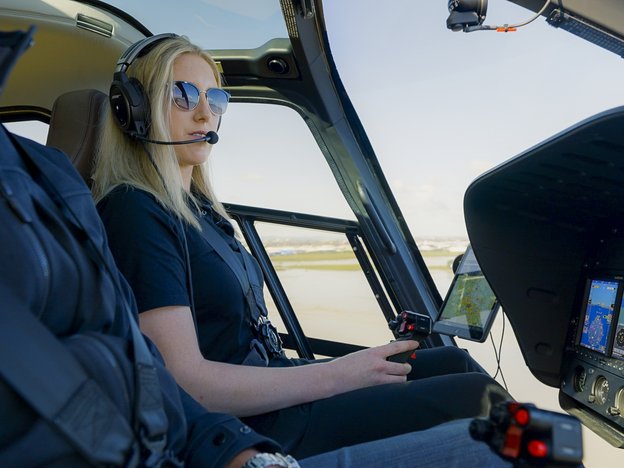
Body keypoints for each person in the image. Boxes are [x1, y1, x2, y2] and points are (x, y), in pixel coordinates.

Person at [93, 33, 512, 458]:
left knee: (453, 365)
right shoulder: (136, 213)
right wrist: (337, 375)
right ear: (135, 109)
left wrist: (336, 370)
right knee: (476, 396)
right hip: (254, 425)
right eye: (182, 94)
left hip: (276, 389)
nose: (205, 113)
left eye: (214, 98)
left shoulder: (201, 212)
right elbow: (186, 385)